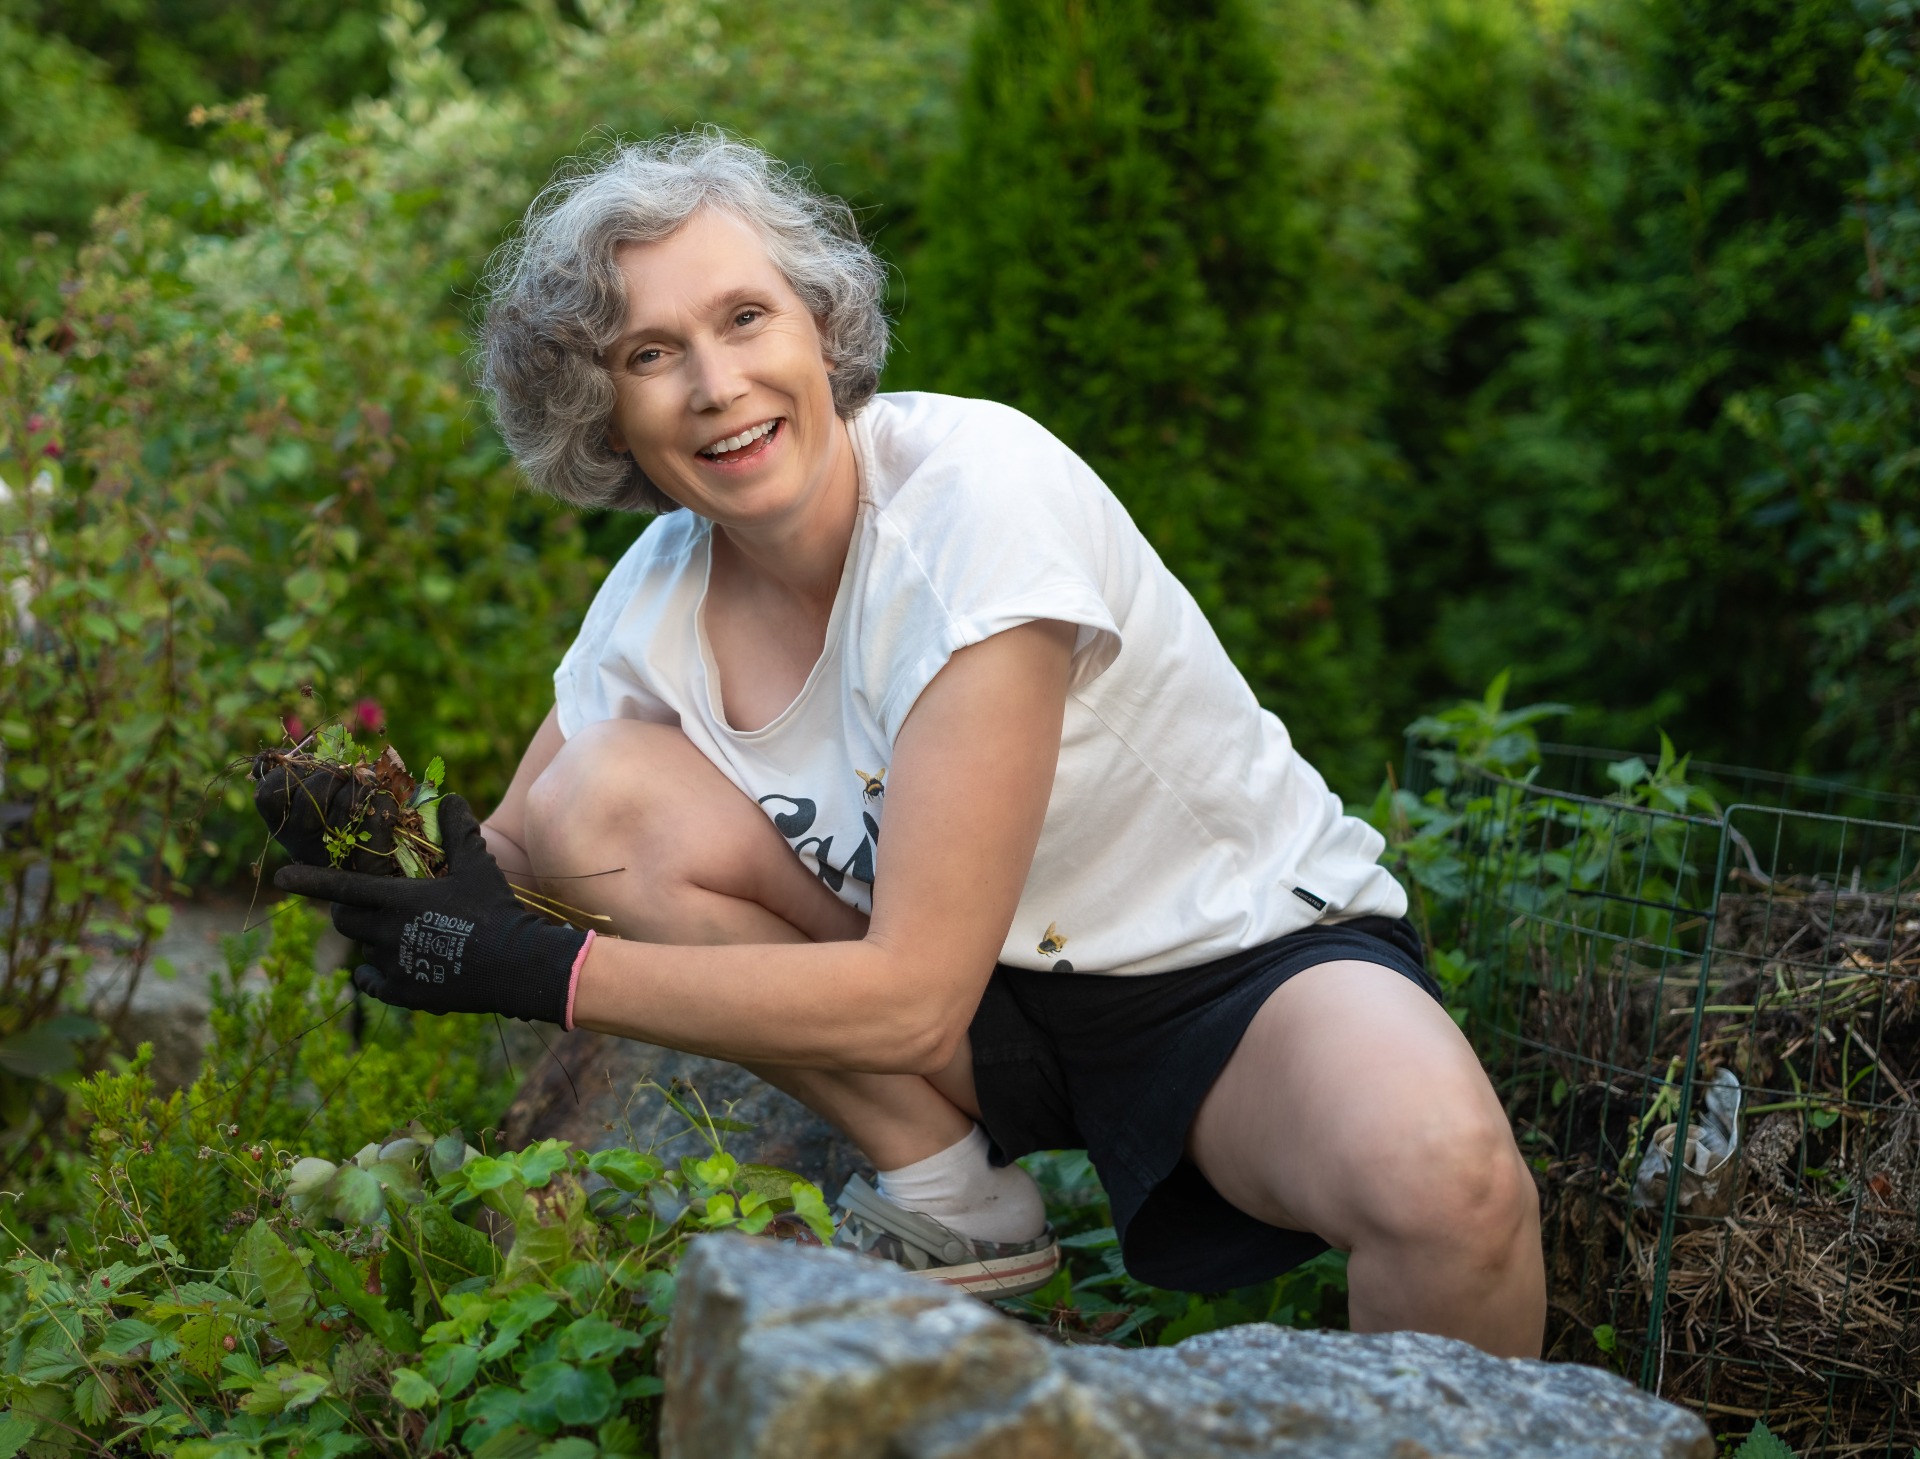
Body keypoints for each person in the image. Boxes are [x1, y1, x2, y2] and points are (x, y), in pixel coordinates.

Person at [263, 132, 1545, 1355]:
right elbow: (522, 851)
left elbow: (908, 989)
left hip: (1226, 976)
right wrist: (392, 865)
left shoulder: (977, 501)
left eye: (746, 317)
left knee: (1452, 1188)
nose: (716, 385)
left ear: (822, 326)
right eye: (651, 353)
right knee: (594, 802)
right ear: (603, 412)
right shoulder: (653, 596)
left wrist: (538, 972)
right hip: (971, 1033)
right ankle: (951, 1195)